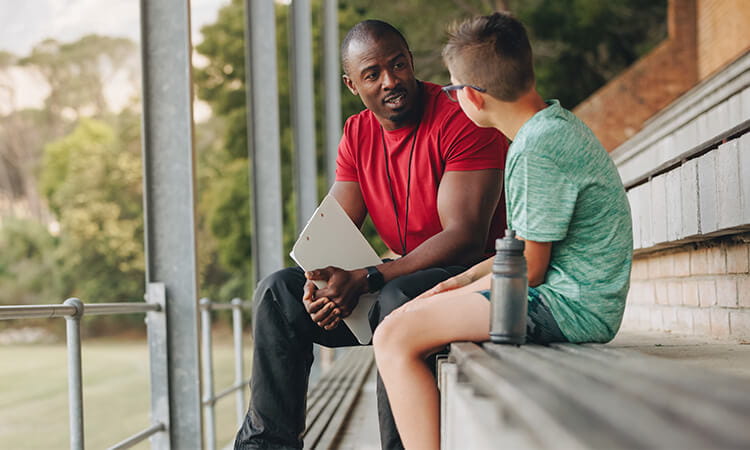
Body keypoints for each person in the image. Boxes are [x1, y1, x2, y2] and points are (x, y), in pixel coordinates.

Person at [234, 19, 509, 450]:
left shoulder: (460, 117)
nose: (390, 81)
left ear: (412, 62)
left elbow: (465, 238)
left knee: (400, 302)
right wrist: (318, 285)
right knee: (277, 294)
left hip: (473, 282)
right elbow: (332, 234)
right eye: (372, 74)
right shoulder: (357, 133)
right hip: (399, 278)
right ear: (352, 84)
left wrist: (368, 277)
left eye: (398, 65)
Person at [373, 12, 633, 450]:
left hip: (571, 307)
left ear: (472, 96)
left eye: (454, 90)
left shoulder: (537, 149)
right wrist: (455, 284)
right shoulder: (549, 126)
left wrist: (440, 299)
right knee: (406, 318)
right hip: (568, 297)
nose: (453, 99)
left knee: (393, 336)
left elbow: (529, 270)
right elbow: (521, 253)